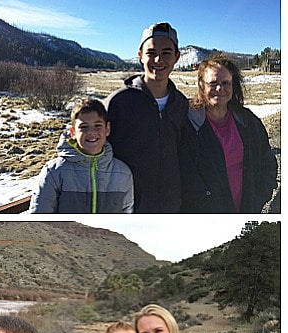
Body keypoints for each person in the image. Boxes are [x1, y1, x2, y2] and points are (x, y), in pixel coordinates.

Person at [104, 22, 188, 213]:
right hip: (126, 208)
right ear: (140, 56)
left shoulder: (181, 104)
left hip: (171, 208)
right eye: (151, 53)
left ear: (176, 57)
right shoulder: (119, 102)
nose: (158, 59)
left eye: (166, 52)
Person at [179, 54, 278, 213]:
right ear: (201, 85)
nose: (220, 89)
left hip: (245, 212)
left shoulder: (248, 122)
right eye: (213, 83)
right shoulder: (188, 124)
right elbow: (183, 176)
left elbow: (267, 163)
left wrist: (259, 197)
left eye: (226, 83)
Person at [29, 97, 134, 213]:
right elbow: (39, 218)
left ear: (107, 129)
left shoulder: (122, 173)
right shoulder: (55, 172)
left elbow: (126, 215)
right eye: (84, 127)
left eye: (98, 125)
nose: (91, 132)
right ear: (72, 132)